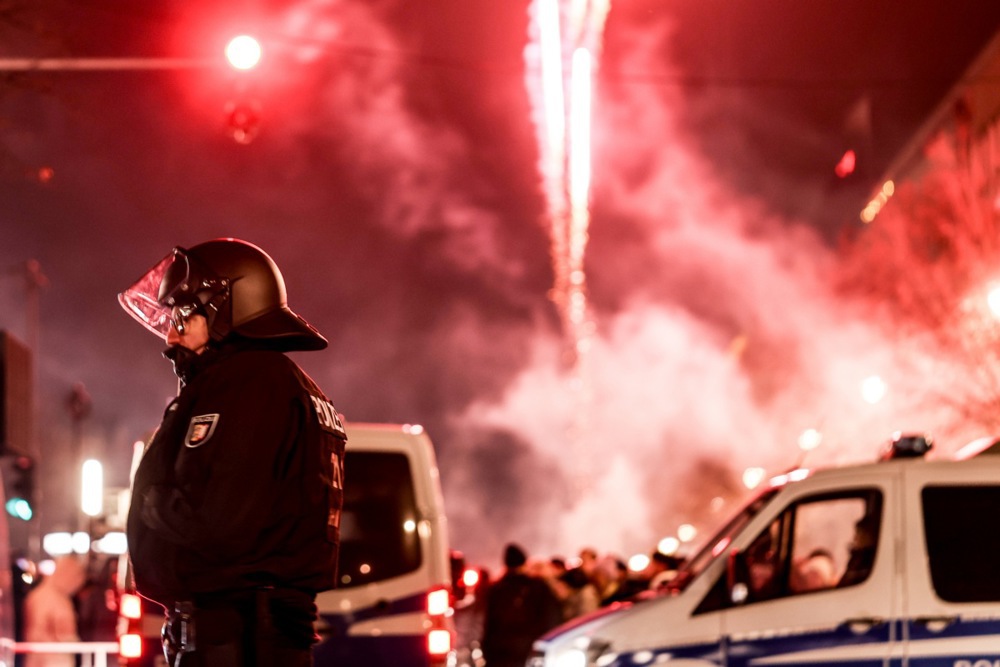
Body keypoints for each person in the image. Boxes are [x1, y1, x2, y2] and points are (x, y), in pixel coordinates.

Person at [118, 238, 347, 667]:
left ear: (226, 306)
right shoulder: (285, 384)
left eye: (184, 317)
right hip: (256, 634)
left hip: (236, 638)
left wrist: (152, 500)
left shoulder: (246, 384)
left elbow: (216, 522)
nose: (171, 336)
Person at [481, 543, 563, 667]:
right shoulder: (538, 588)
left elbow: (486, 624)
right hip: (529, 652)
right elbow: (552, 619)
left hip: (499, 654)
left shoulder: (495, 590)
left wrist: (487, 651)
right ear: (524, 563)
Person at [22, 556, 87, 667]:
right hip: (56, 658)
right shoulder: (59, 601)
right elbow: (65, 634)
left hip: (34, 656)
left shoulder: (35, 595)